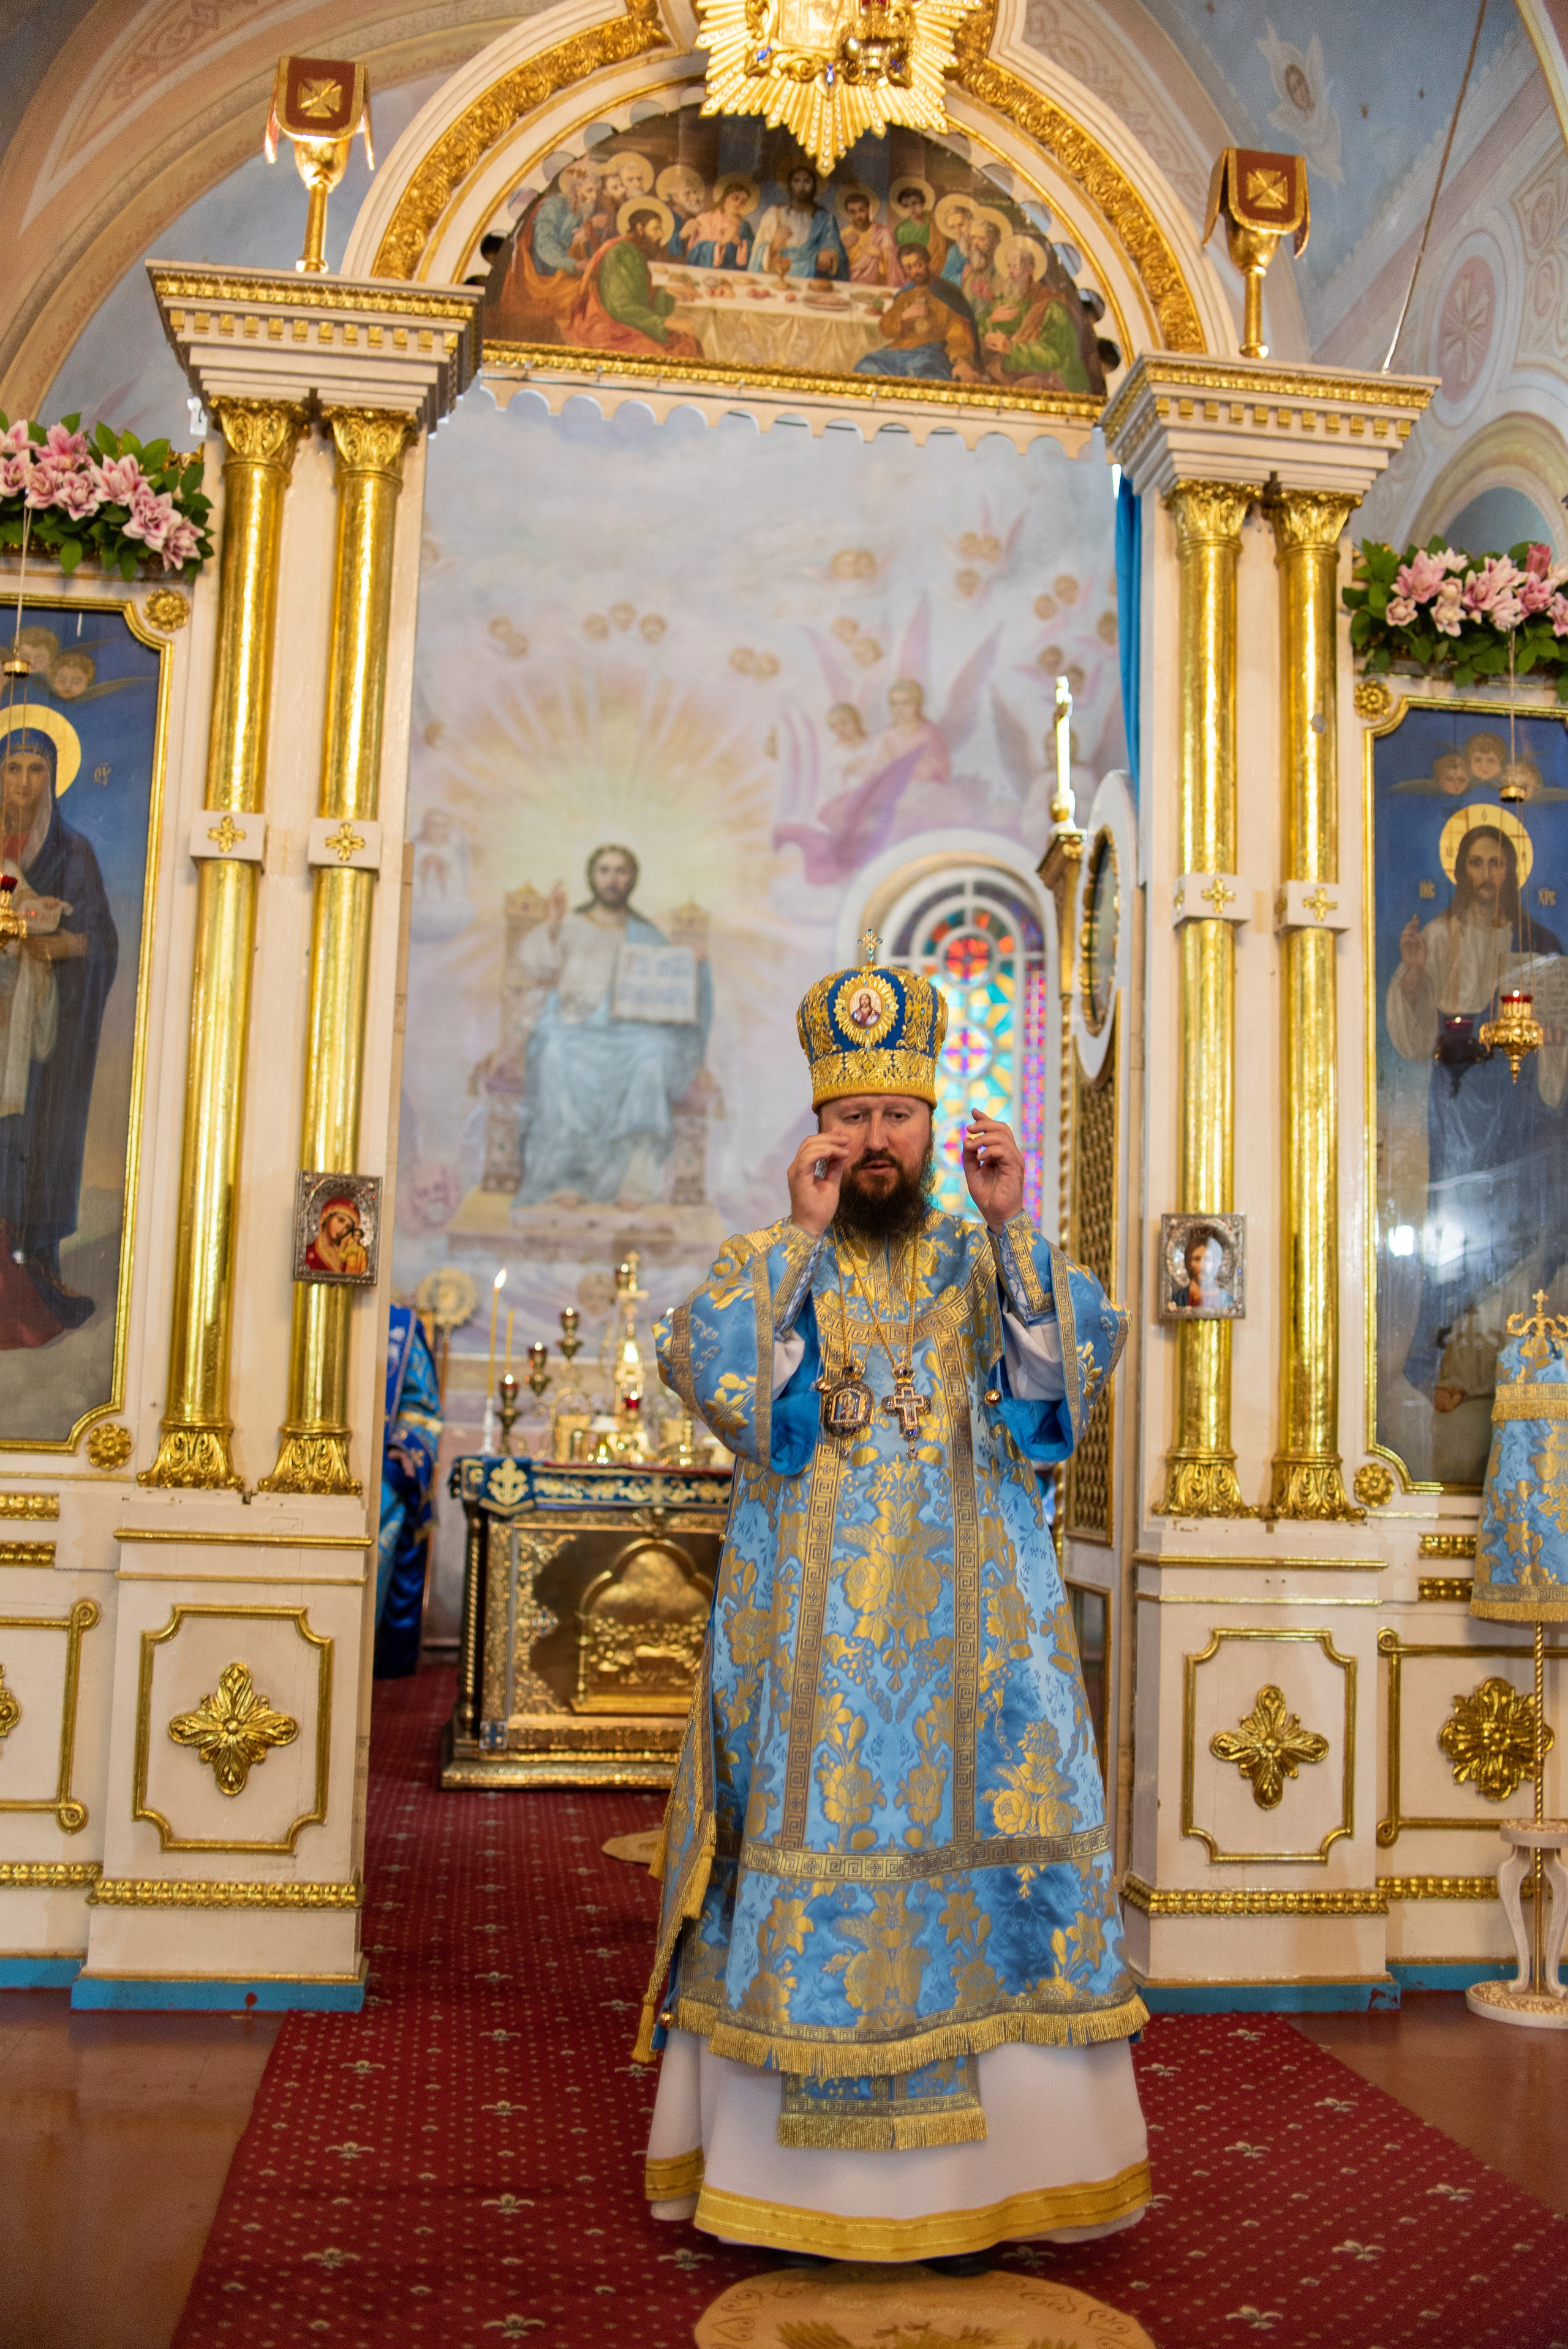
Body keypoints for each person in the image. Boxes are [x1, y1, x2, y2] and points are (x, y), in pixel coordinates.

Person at [637, 942, 1146, 2264]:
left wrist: (1012, 1219)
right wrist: (798, 1252)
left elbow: (1058, 1394)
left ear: (933, 1121)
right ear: (817, 1129)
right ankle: (787, 2184)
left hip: (978, 1649)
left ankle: (1006, 2176)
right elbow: (725, 1390)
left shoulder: (986, 1253)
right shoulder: (767, 1257)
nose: (874, 1140)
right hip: (813, 1654)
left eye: (896, 1116)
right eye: (850, 1116)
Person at [1385, 820, 1567, 1411]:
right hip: (1462, 1097)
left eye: (1498, 863)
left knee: (1523, 1218)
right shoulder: (1438, 937)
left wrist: (1555, 1035)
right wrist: (1413, 972)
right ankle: (1451, 1361)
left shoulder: (1539, 940)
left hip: (1523, 1098)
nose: (1488, 875)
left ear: (1512, 870)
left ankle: (1520, 1359)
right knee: (1460, 1218)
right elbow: (1414, 1038)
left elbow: (1558, 1020)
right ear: (1461, 871)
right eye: (1477, 864)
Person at [0, 721, 117, 1347]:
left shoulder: (72, 855)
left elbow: (102, 941)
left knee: (28, 1142)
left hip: (37, 1042)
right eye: (13, 766)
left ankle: (33, 1270)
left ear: (53, 777)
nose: (23, 781)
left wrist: (64, 944)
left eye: (36, 768)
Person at [514, 843, 710, 1208]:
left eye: (621, 871)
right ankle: (566, 1179)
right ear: (592, 876)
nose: (612, 879)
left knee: (653, 1055)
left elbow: (670, 988)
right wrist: (554, 924)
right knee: (555, 1053)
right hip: (575, 1026)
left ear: (632, 879)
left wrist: (694, 963)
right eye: (604, 870)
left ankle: (634, 1183)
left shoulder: (646, 932)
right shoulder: (571, 924)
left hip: (629, 1033)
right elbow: (537, 965)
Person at [374, 1304, 443, 1678]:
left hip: (378, 1460)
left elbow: (421, 1407)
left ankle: (365, 1658)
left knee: (388, 1494)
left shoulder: (399, 1328)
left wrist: (403, 1445)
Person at [568, 205, 703, 360]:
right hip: (611, 328)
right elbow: (620, 307)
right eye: (655, 229)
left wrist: (667, 291)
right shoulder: (620, 253)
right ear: (640, 228)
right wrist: (666, 323)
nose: (660, 235)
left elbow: (638, 292)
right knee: (682, 349)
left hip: (627, 320)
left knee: (687, 342)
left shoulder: (634, 249)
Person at [853, 244, 979, 382]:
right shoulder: (905, 295)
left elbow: (959, 331)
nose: (915, 271)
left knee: (928, 380)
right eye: (909, 268)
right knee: (865, 368)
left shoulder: (947, 293)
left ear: (927, 262)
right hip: (898, 351)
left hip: (931, 354)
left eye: (919, 265)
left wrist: (961, 362)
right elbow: (886, 328)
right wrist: (904, 315)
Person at [749, 164, 848, 281]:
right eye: (797, 181)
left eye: (807, 182)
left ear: (814, 186)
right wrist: (775, 243)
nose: (801, 186)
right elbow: (758, 252)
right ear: (790, 185)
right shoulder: (774, 214)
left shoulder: (825, 219)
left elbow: (831, 249)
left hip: (812, 280)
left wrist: (830, 253)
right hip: (777, 277)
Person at [682, 178, 756, 270]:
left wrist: (740, 243)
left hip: (735, 272)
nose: (739, 203)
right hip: (709, 271)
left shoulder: (744, 226)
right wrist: (723, 242)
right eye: (735, 198)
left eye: (743, 201)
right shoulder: (705, 219)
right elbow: (695, 252)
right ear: (725, 197)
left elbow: (755, 253)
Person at [840, 187, 902, 286]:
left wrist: (880, 253)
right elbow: (836, 268)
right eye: (853, 212)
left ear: (869, 209)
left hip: (876, 285)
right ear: (848, 213)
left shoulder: (883, 233)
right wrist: (842, 247)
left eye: (861, 210)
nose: (858, 216)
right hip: (849, 285)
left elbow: (896, 263)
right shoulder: (844, 234)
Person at [1172, 1227, 1232, 1313]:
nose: (1201, 1265)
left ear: (1215, 1263)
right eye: (1197, 1259)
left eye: (1207, 1259)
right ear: (1188, 1262)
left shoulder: (1227, 1300)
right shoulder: (1178, 1299)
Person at [304, 1197, 369, 1277]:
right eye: (340, 1220)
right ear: (326, 1216)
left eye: (348, 1227)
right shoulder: (308, 1253)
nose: (342, 1229)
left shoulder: (347, 1256)